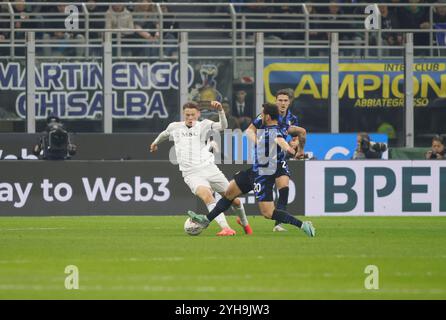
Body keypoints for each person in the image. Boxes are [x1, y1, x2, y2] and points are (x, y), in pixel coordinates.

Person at [187, 103, 315, 237]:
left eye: (263, 113)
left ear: (268, 117)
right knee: (230, 192)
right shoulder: (278, 127)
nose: (261, 115)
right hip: (254, 171)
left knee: (268, 213)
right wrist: (300, 150)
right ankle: (206, 220)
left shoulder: (273, 131)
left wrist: (289, 150)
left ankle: (303, 225)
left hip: (263, 176)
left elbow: (279, 140)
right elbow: (301, 132)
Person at [150, 101, 252, 236]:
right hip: (191, 174)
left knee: (235, 200)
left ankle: (245, 223)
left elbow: (223, 126)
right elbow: (164, 134)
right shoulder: (175, 127)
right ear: (183, 114)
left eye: (193, 114)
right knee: (207, 196)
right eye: (187, 115)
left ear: (198, 114)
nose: (190, 117)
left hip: (209, 168)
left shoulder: (204, 125)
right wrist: (155, 143)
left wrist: (220, 111)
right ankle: (225, 228)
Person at [247, 89, 306, 232]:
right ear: (276, 101)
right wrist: (257, 142)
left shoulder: (292, 119)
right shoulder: (266, 116)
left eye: (286, 100)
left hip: (280, 159)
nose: (283, 103)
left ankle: (278, 225)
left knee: (284, 189)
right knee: (263, 201)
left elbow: (295, 137)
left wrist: (296, 144)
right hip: (264, 160)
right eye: (280, 100)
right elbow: (249, 130)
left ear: (289, 102)